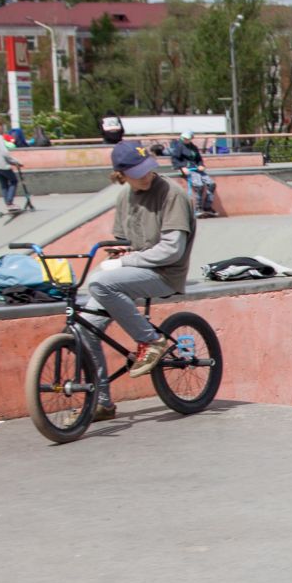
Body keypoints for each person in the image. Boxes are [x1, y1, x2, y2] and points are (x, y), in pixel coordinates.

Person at [76, 141, 196, 421]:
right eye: (138, 172)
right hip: (135, 273)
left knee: (100, 283)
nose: (146, 176)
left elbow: (172, 249)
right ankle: (102, 403)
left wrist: (124, 261)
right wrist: (119, 252)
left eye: (149, 169)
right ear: (121, 175)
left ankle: (151, 341)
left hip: (165, 274)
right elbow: (123, 242)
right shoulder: (124, 198)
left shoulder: (172, 195)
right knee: (84, 327)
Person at [168, 130, 218, 216]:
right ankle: (198, 208)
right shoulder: (179, 147)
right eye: (184, 138)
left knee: (211, 184)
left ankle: (207, 207)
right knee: (199, 185)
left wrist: (201, 165)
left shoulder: (193, 147)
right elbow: (174, 159)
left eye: (187, 138)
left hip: (196, 168)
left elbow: (198, 159)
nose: (185, 140)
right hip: (187, 169)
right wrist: (181, 167)